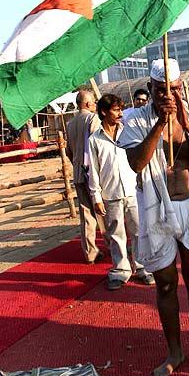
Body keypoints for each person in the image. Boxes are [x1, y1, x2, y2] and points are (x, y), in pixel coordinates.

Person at [119, 59, 189, 376]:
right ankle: (174, 351)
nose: (168, 95)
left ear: (182, 88)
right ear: (151, 89)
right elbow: (137, 164)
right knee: (166, 284)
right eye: (161, 90)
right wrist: (160, 125)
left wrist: (184, 120)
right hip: (157, 209)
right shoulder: (135, 119)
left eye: (175, 89)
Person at [88, 94, 154, 291]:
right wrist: (96, 196)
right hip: (111, 192)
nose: (120, 113)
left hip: (134, 189)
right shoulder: (94, 139)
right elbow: (93, 170)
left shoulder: (128, 132)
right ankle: (120, 270)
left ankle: (143, 267)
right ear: (103, 112)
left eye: (120, 109)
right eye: (116, 110)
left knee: (139, 231)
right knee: (116, 234)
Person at [65, 89, 105, 264]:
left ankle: (90, 252)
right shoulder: (93, 119)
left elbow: (68, 150)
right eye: (94, 102)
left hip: (78, 172)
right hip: (93, 173)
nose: (95, 105)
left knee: (86, 214)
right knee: (103, 211)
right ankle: (112, 245)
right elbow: (98, 146)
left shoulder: (70, 123)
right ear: (88, 104)